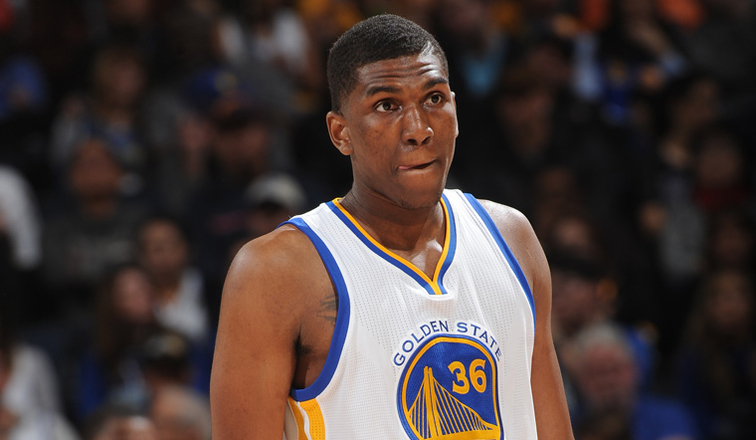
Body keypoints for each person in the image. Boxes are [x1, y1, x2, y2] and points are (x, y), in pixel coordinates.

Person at [210, 14, 573, 439]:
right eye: (387, 105)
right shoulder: (275, 272)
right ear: (340, 133)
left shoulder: (513, 238)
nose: (418, 129)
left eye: (434, 98)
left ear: (456, 110)